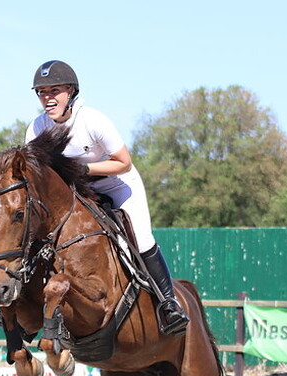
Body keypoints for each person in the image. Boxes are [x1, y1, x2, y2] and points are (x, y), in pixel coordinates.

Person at [25, 60, 189, 336]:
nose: (48, 98)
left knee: (141, 238)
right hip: (76, 193)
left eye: (55, 91)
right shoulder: (37, 128)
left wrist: (83, 169)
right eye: (42, 92)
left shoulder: (93, 120)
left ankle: (168, 304)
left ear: (71, 92)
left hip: (117, 185)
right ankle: (23, 304)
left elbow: (123, 162)